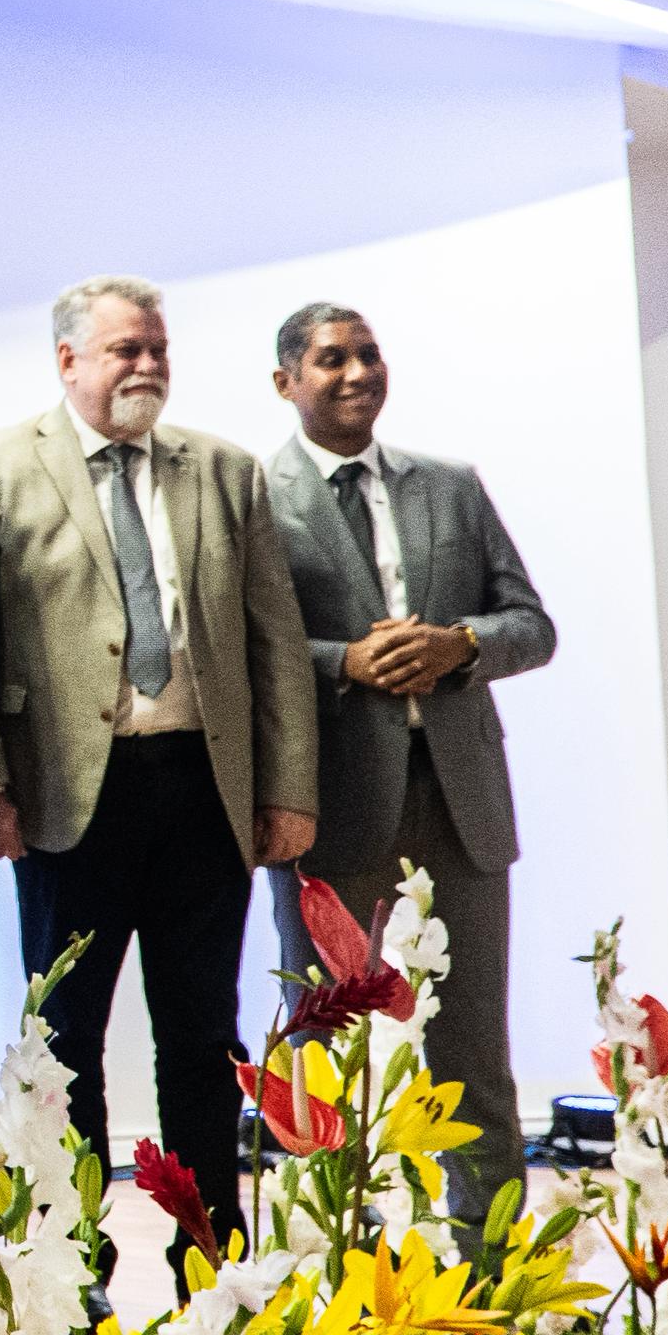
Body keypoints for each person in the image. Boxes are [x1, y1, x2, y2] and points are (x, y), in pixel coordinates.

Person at [0, 276, 316, 1253]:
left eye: (154, 347)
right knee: (63, 1037)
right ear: (66, 359)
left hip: (202, 787)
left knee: (202, 1029)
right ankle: (73, 1254)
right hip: (66, 795)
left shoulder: (222, 469)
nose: (144, 364)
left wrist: (285, 789)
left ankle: (210, 1241)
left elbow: (274, 642)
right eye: (122, 349)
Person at [263, 303, 555, 1230]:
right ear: (286, 384)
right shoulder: (252, 497)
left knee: (473, 1051)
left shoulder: (452, 486)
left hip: (460, 801)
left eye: (369, 354)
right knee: (322, 1053)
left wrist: (461, 645)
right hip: (330, 809)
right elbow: (236, 647)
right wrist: (340, 662)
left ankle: (498, 1282)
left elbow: (532, 624)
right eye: (329, 359)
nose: (355, 373)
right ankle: (332, 1267)